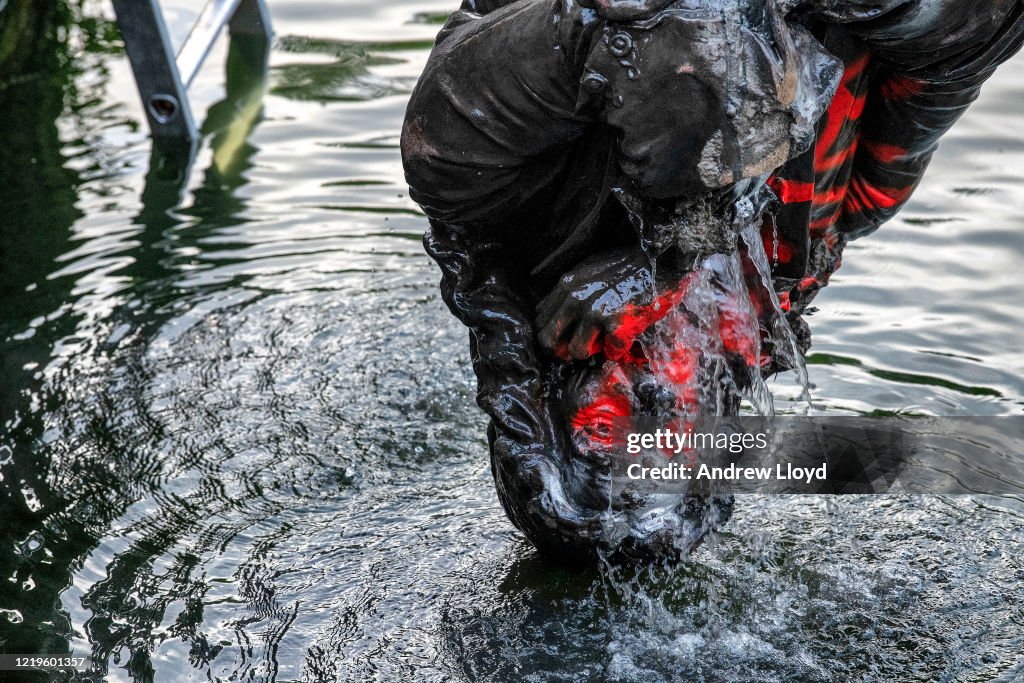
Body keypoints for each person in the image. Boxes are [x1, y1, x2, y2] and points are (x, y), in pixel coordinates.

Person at [401, 0, 1024, 561]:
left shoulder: (465, 168)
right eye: (679, 450)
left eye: (613, 430)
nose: (670, 414)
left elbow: (677, 21)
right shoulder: (818, 233)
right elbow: (982, 30)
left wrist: (672, 252)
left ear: (552, 369)